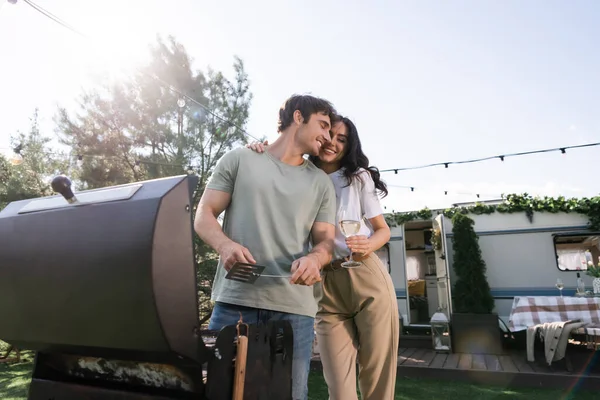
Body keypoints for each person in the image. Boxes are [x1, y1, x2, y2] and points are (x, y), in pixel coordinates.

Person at [193, 94, 338, 400]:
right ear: (298, 117)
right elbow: (203, 215)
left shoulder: (320, 183)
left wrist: (315, 258)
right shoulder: (239, 159)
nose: (327, 136)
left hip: (293, 312)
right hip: (235, 302)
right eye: (323, 125)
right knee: (216, 393)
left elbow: (326, 241)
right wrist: (224, 245)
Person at [247, 115, 399, 400]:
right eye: (330, 136)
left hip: (365, 276)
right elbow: (274, 166)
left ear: (349, 145)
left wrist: (367, 245)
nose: (334, 143)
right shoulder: (302, 174)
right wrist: (261, 151)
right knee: (340, 390)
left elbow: (383, 230)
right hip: (324, 284)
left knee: (377, 378)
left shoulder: (358, 178)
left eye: (342, 139)